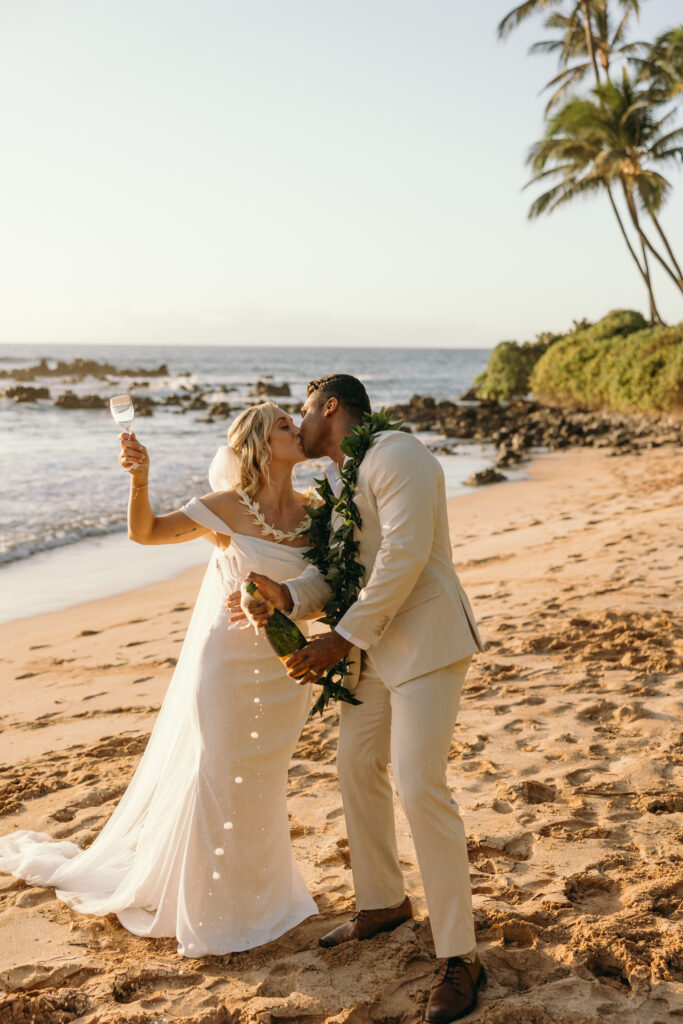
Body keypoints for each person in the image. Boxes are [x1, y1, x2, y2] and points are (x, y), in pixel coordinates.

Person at [0, 402, 319, 957]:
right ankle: (208, 906)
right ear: (262, 446)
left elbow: (330, 584)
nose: (299, 429)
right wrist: (140, 478)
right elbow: (145, 532)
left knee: (264, 780)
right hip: (227, 663)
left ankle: (261, 899)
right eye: (285, 426)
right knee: (218, 774)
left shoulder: (319, 510)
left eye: (296, 421)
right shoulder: (226, 507)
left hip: (285, 667)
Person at [233, 375, 486, 1022]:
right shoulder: (345, 477)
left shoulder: (397, 454)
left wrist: (338, 642)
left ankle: (460, 956)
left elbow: (400, 557)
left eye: (302, 411)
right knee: (354, 766)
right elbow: (341, 571)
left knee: (420, 785)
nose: (297, 422)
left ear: (330, 407)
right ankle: (383, 902)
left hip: (426, 640)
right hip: (373, 645)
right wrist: (286, 596)